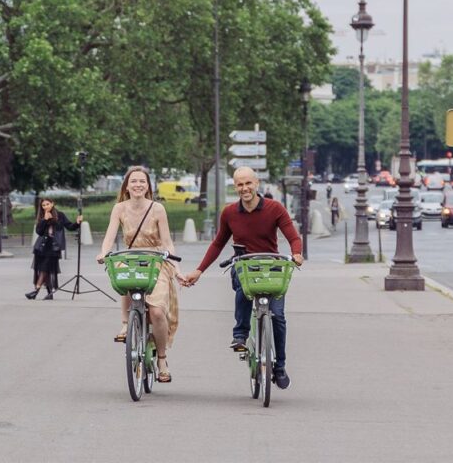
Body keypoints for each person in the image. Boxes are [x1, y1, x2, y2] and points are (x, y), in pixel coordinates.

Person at [181, 167, 303, 390]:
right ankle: (240, 335)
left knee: (277, 316)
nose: (244, 188)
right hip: (245, 266)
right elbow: (218, 243)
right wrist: (199, 271)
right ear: (235, 186)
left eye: (248, 183)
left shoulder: (274, 208)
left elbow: (293, 236)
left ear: (257, 183)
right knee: (242, 288)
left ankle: (280, 366)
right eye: (239, 184)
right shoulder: (229, 213)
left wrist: (296, 254)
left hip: (272, 266)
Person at [96, 166, 184, 383]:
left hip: (156, 260)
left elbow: (167, 242)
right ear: (126, 185)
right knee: (123, 275)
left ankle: (162, 359)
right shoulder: (119, 208)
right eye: (133, 181)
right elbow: (109, 237)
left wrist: (176, 267)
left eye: (142, 182)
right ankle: (126, 323)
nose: (137, 185)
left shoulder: (157, 209)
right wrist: (103, 253)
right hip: (130, 257)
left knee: (156, 312)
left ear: (148, 186)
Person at [25, 198, 83, 301]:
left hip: (54, 247)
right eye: (43, 205)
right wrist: (44, 220)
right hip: (41, 247)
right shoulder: (42, 216)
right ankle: (49, 293)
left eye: (47, 204)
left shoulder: (60, 215)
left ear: (52, 204)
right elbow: (39, 231)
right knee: (44, 269)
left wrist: (77, 223)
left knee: (45, 269)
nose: (46, 206)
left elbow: (69, 226)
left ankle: (35, 291)